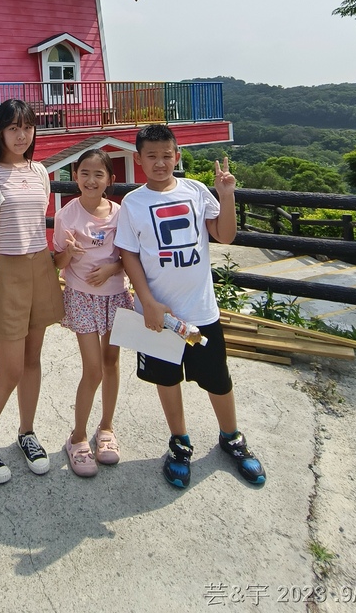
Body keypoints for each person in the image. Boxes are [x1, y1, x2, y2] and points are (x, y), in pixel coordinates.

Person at [115, 124, 266, 489]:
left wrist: (226, 194)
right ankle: (179, 442)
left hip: (201, 310)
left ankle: (231, 437)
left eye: (167, 155)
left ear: (177, 156)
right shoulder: (133, 203)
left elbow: (225, 234)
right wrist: (147, 301)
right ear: (138, 160)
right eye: (151, 156)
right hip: (158, 315)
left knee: (217, 378)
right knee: (166, 380)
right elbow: (129, 255)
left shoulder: (197, 191)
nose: (160, 162)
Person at [0, 98, 64, 483]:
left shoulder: (39, 170)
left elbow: (40, 220)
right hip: (5, 270)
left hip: (40, 266)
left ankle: (27, 432)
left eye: (27, 127)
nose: (21, 135)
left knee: (33, 360)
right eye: (13, 128)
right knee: (9, 369)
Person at [53, 149, 134, 476]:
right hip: (81, 297)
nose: (91, 180)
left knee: (112, 362)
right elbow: (57, 263)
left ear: (110, 181)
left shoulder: (120, 214)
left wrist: (112, 267)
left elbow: (130, 256)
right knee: (93, 369)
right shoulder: (66, 216)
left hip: (114, 295)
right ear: (75, 176)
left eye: (98, 174)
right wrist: (68, 254)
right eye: (84, 173)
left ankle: (106, 429)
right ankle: (78, 437)